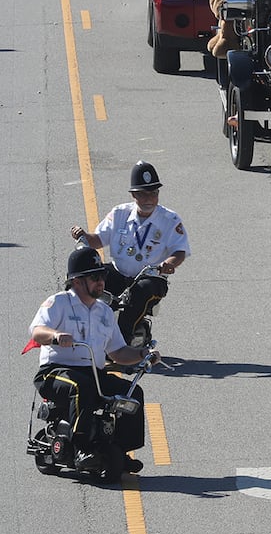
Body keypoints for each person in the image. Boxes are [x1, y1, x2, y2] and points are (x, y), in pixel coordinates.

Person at [28, 245, 154, 476]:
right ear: (77, 281)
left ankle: (121, 450)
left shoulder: (104, 312)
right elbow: (37, 332)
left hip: (93, 373)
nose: (101, 282)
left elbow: (117, 352)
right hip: (55, 371)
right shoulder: (58, 303)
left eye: (102, 277)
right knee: (82, 387)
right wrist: (55, 336)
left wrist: (142, 354)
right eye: (95, 277)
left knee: (133, 392)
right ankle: (81, 448)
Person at [70, 160, 190, 342]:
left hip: (150, 278)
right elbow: (98, 240)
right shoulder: (119, 214)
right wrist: (84, 235)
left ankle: (123, 343)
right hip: (118, 273)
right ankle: (80, 334)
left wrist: (169, 264)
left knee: (140, 291)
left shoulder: (170, 219)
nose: (149, 199)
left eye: (154, 193)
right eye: (143, 194)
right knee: (83, 281)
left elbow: (180, 250)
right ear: (134, 195)